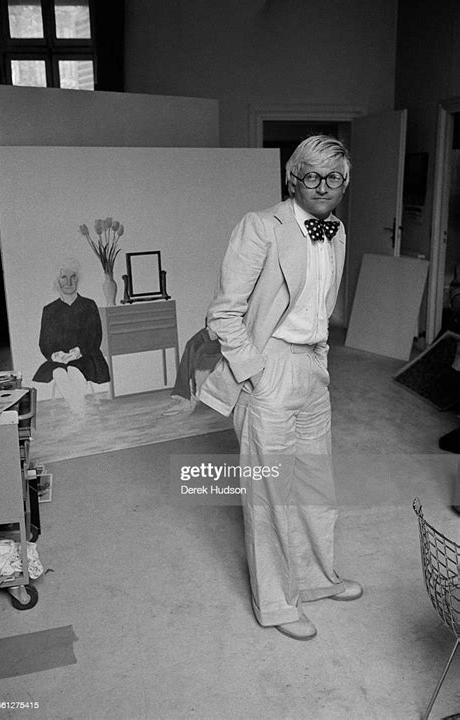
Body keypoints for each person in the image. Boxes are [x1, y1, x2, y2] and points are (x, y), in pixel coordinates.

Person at [198, 135, 362, 641]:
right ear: (294, 178)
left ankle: (315, 579)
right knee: (269, 491)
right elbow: (224, 312)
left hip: (315, 366)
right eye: (311, 176)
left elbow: (320, 308)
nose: (322, 187)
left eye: (333, 177)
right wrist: (254, 371)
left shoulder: (335, 229)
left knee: (315, 481)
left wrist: (322, 359)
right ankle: (275, 602)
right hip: (269, 369)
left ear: (344, 183)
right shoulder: (259, 226)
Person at [33, 259, 110, 414]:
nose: (69, 282)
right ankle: (79, 409)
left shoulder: (88, 305)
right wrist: (55, 355)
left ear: (77, 279)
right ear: (57, 281)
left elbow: (96, 337)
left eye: (73, 277)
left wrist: (79, 351)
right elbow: (44, 343)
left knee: (74, 371)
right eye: (64, 277)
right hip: (60, 360)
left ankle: (77, 410)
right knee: (59, 373)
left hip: (87, 356)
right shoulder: (50, 310)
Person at [161, 323, 221, 415]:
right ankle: (184, 397)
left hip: (234, 332)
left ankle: (186, 397)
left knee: (201, 350)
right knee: (192, 344)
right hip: (221, 327)